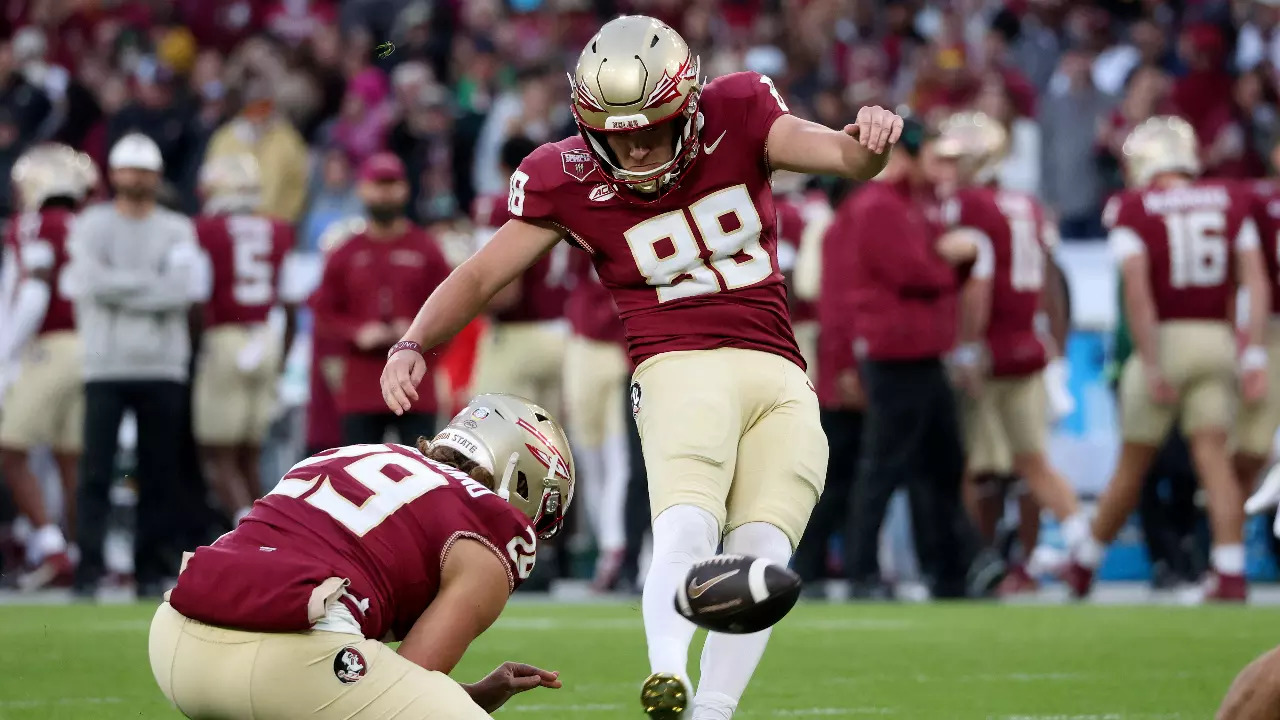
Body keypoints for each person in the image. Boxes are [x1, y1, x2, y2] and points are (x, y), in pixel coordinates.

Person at [381, 15, 904, 720]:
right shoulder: (563, 175)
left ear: (689, 103)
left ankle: (713, 710)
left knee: (762, 555)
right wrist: (414, 341)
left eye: (651, 126)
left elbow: (841, 158)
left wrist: (867, 144)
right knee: (686, 527)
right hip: (678, 363)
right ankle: (667, 676)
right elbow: (480, 276)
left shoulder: (742, 108)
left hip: (780, 370)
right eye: (617, 133)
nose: (635, 146)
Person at [148, 394, 571, 719]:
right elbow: (410, 679)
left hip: (175, 640)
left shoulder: (349, 453)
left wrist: (473, 693)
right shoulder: (489, 525)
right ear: (523, 477)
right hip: (288, 656)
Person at [1066, 116, 1271, 602]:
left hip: (1167, 337)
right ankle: (1230, 567)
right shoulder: (1230, 200)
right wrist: (1255, 350)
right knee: (1214, 460)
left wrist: (1152, 361)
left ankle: (1085, 563)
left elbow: (1137, 294)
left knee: (1132, 463)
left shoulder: (1133, 208)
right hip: (1217, 341)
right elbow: (1257, 281)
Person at [931, 111, 1088, 594]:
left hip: (988, 347)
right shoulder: (1028, 205)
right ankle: (1086, 545)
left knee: (974, 469)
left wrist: (966, 345)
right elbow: (1051, 282)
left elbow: (973, 283)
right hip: (1029, 342)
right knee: (1032, 463)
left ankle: (974, 567)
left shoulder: (968, 205)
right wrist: (1054, 345)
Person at [837, 125, 990, 599]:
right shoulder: (880, 205)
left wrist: (948, 261)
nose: (944, 168)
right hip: (895, 354)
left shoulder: (915, 204)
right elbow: (914, 272)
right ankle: (861, 572)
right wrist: (954, 261)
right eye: (936, 157)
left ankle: (951, 567)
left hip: (923, 352)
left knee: (941, 464)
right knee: (884, 466)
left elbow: (928, 269)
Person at [63, 133, 206, 598]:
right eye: (130, 169)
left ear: (157, 176)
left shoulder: (177, 228)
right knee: (96, 472)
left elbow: (180, 291)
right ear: (114, 173)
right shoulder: (91, 223)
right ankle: (89, 568)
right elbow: (89, 282)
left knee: (159, 473)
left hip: (163, 365)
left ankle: (149, 570)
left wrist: (119, 286)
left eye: (144, 171)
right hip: (105, 364)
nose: (137, 179)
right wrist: (150, 285)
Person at [0, 143, 97, 590]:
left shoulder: (36, 224)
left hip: (50, 344)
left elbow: (34, 295)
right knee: (70, 459)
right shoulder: (90, 223)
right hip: (92, 346)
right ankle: (81, 552)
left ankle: (52, 547)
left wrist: (6, 353)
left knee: (10, 449)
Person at [192, 154, 306, 525]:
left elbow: (197, 297)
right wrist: (282, 356)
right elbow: (289, 306)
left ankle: (256, 531)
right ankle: (270, 528)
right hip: (266, 337)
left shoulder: (207, 230)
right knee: (249, 454)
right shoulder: (277, 229)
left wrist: (197, 348)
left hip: (224, 337)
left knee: (218, 454)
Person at [312, 152, 451, 446]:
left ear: (405, 189)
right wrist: (357, 331)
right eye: (378, 184)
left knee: (420, 474)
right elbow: (323, 311)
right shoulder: (346, 252)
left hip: (415, 384)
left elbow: (451, 306)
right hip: (362, 385)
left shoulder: (426, 249)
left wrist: (417, 330)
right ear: (363, 189)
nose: (385, 193)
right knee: (361, 476)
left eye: (391, 184)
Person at [469, 134, 572, 416]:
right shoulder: (566, 201)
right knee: (554, 448)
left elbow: (502, 289)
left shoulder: (500, 205)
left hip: (517, 336)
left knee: (490, 432)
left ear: (502, 167)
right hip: (566, 335)